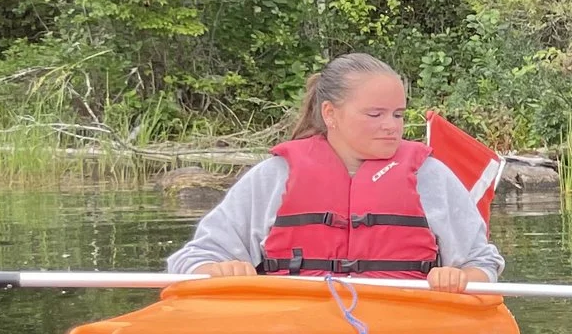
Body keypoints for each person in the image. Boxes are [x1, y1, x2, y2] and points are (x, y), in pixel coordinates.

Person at [167, 52, 503, 290]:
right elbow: (191, 259)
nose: (391, 127)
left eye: (398, 115)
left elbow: (482, 263)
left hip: (404, 323)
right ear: (330, 113)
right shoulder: (275, 176)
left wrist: (460, 278)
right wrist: (218, 270)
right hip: (290, 330)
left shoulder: (431, 177)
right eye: (375, 115)